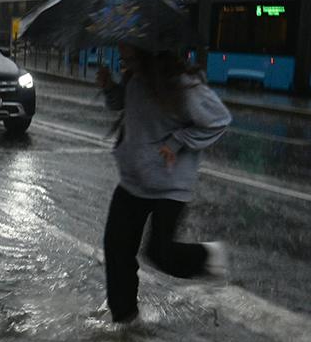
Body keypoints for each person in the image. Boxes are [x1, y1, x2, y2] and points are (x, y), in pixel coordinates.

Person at [96, 44, 231, 324]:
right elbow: (123, 103)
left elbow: (219, 119)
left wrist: (177, 142)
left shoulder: (182, 86)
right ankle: (125, 318)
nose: (123, 60)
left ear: (148, 52)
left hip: (170, 184)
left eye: (129, 54)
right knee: (116, 249)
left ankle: (209, 257)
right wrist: (109, 87)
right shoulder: (135, 79)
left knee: (160, 253)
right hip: (134, 182)